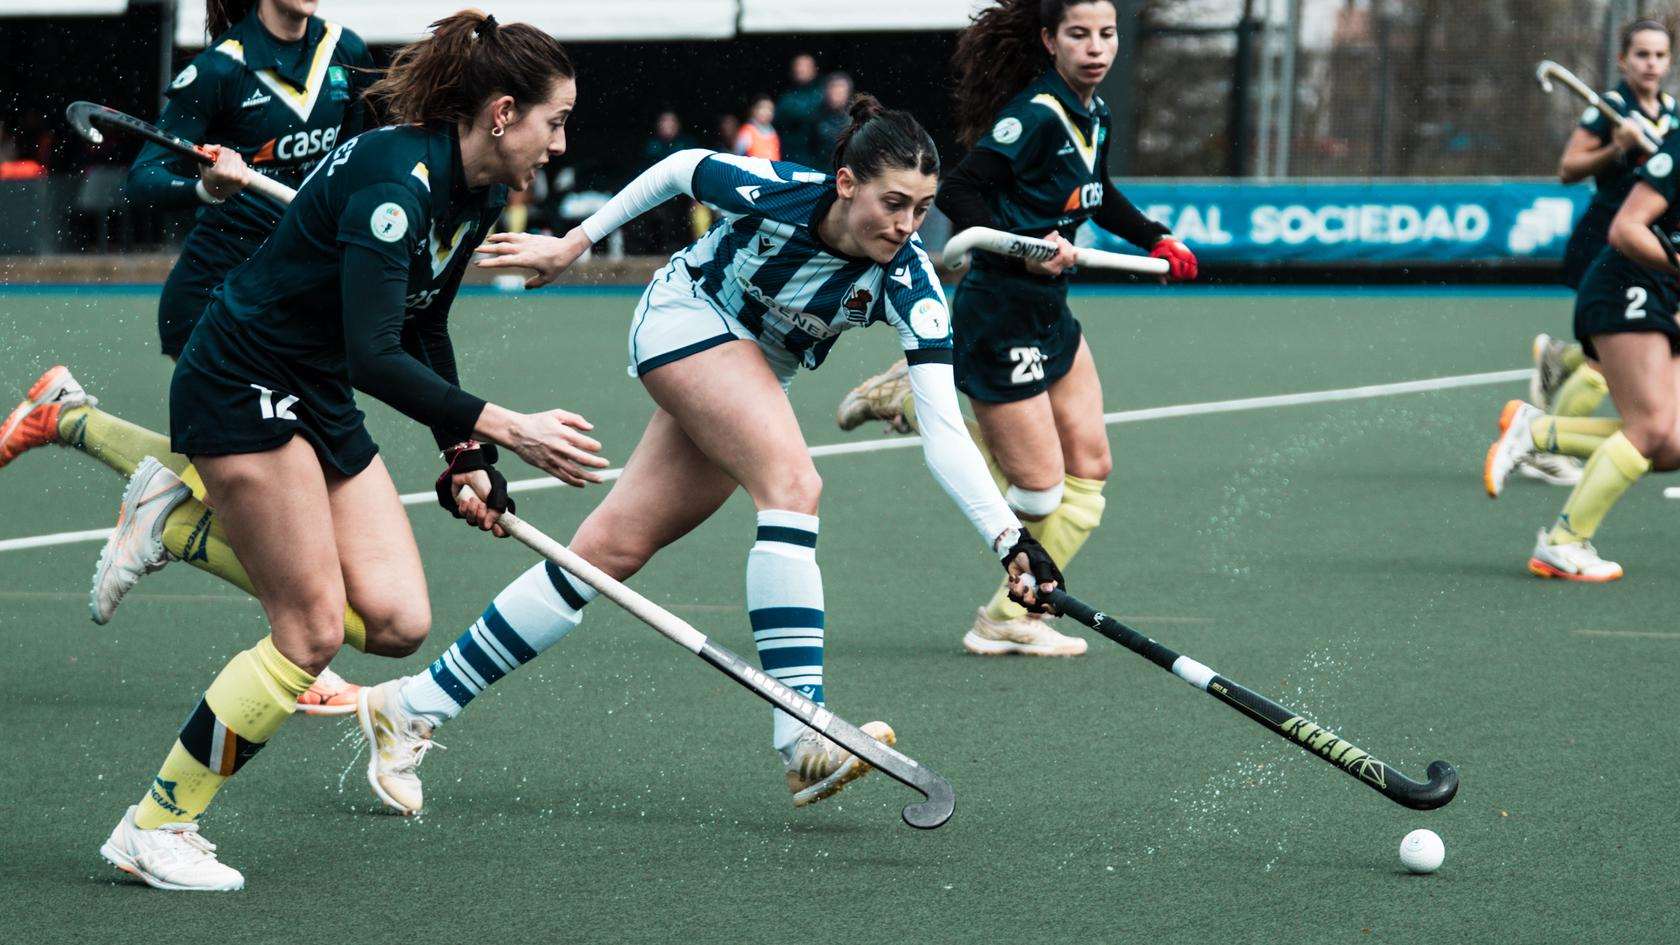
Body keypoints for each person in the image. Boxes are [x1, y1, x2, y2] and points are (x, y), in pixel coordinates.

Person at [353, 96, 1063, 818]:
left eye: (922, 209)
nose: (908, 225)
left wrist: (1010, 541)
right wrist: (574, 243)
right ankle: (804, 731)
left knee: (602, 555)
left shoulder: (909, 280)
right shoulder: (781, 191)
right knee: (792, 483)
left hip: (753, 370)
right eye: (894, 203)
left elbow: (944, 429)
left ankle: (411, 706)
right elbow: (681, 169)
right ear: (847, 184)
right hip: (684, 317)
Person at [96, 10, 608, 891]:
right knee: (310, 632)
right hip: (242, 378)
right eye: (553, 122)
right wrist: (507, 425)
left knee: (399, 620)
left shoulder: (477, 191)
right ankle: (155, 824)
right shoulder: (394, 184)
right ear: (501, 114)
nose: (560, 144)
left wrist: (464, 454)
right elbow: (376, 354)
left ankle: (173, 521)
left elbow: (423, 325)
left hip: (318, 388)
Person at [0, 0, 376, 712]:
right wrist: (206, 186)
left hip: (290, 301)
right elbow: (144, 180)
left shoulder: (346, 52)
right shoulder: (219, 72)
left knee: (265, 495)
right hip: (215, 302)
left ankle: (68, 418)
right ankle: (302, 652)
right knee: (268, 506)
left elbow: (360, 159)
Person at [835, 0, 1196, 656]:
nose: (1096, 47)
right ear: (1050, 41)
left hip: (1050, 311)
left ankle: (1007, 615)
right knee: (1040, 490)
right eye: (1079, 34)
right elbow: (960, 193)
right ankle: (915, 403)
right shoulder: (1035, 115)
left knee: (1091, 474)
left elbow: (1098, 192)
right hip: (1000, 314)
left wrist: (1155, 237)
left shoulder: (1094, 113)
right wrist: (1027, 245)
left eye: (1107, 34)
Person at [1484, 78, 1680, 582]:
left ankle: (1538, 432)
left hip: (1665, 294)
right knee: (1649, 428)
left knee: (1671, 445)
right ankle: (1564, 543)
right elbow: (1626, 228)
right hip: (1628, 284)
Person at [1526, 19, 1677, 487]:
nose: (1651, 64)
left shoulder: (1672, 113)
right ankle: (1542, 447)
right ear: (1623, 60)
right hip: (1609, 239)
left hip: (1651, 247)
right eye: (1642, 54)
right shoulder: (1612, 108)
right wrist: (1617, 147)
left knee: (1625, 348)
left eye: (1660, 55)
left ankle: (1558, 362)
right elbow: (1568, 169)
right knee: (1602, 364)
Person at [775, 53, 823, 167]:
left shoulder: (823, 95)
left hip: (818, 160)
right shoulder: (786, 97)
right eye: (798, 66)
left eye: (805, 66)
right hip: (790, 158)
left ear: (814, 70)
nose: (801, 70)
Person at [812, 71, 855, 161]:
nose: (836, 96)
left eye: (840, 92)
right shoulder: (815, 118)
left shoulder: (856, 120)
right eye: (833, 91)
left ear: (848, 94)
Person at [734, 95, 781, 160]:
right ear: (753, 110)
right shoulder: (747, 131)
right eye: (762, 108)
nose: (766, 112)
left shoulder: (773, 132)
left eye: (770, 109)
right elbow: (737, 156)